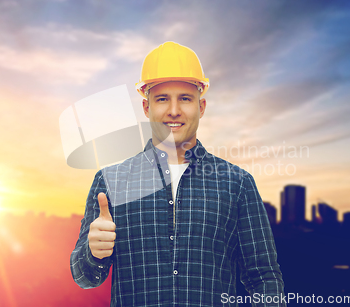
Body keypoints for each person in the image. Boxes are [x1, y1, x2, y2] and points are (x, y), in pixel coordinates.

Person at [71, 41, 285, 306]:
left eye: (185, 98)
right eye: (162, 99)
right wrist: (94, 253)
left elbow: (264, 278)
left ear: (201, 107)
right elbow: (83, 276)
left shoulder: (237, 184)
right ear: (146, 108)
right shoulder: (110, 182)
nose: (173, 110)